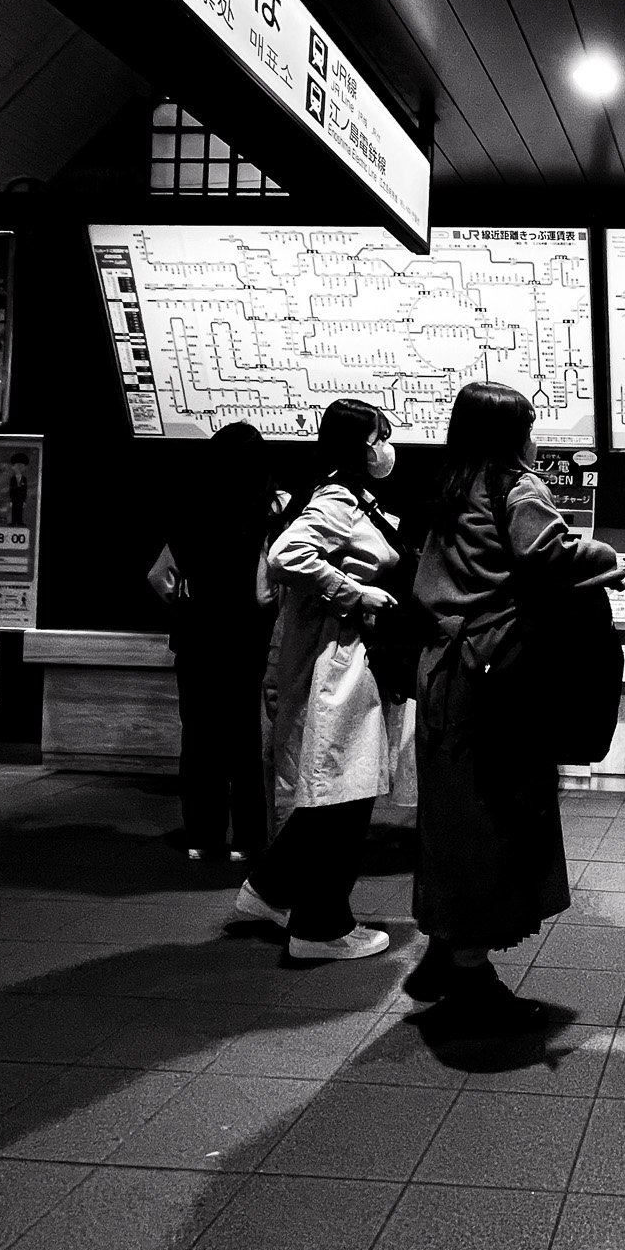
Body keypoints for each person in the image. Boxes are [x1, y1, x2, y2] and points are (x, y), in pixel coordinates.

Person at [401, 382, 623, 1031]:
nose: (536, 436)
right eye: (529, 425)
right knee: (491, 822)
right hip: (491, 683)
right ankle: (470, 973)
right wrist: (605, 557)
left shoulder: (450, 485)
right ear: (508, 434)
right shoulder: (517, 488)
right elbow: (549, 557)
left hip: (441, 674)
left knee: (450, 818)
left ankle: (442, 954)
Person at [236, 399, 410, 962]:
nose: (388, 446)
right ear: (360, 443)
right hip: (340, 666)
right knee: (343, 793)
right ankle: (320, 926)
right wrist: (355, 592)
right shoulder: (337, 500)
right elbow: (287, 557)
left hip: (351, 663)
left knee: (338, 789)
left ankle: (268, 891)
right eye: (382, 435)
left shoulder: (350, 497)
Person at [146, 421, 285, 863]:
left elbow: (158, 576)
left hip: (198, 636)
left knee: (200, 736)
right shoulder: (271, 510)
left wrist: (188, 605)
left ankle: (202, 836)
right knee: (246, 737)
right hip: (248, 637)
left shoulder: (191, 507)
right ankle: (247, 838)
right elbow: (269, 588)